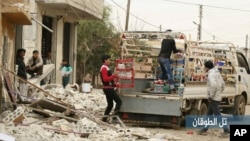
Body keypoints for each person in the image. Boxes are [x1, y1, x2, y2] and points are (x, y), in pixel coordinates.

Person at [198, 60, 230, 137]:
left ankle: (227, 131)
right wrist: (219, 93)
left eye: (205, 67)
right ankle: (204, 129)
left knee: (217, 115)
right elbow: (223, 84)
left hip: (213, 98)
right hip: (216, 96)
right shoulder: (217, 72)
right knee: (209, 114)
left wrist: (211, 96)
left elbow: (214, 85)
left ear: (206, 67)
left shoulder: (211, 74)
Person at [100, 55, 122, 122]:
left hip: (108, 88)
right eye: (109, 60)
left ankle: (104, 119)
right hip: (108, 89)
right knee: (119, 101)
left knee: (110, 105)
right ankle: (114, 118)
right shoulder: (104, 68)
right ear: (105, 60)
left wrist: (115, 85)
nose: (110, 61)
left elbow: (110, 80)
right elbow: (105, 79)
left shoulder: (106, 68)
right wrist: (114, 75)